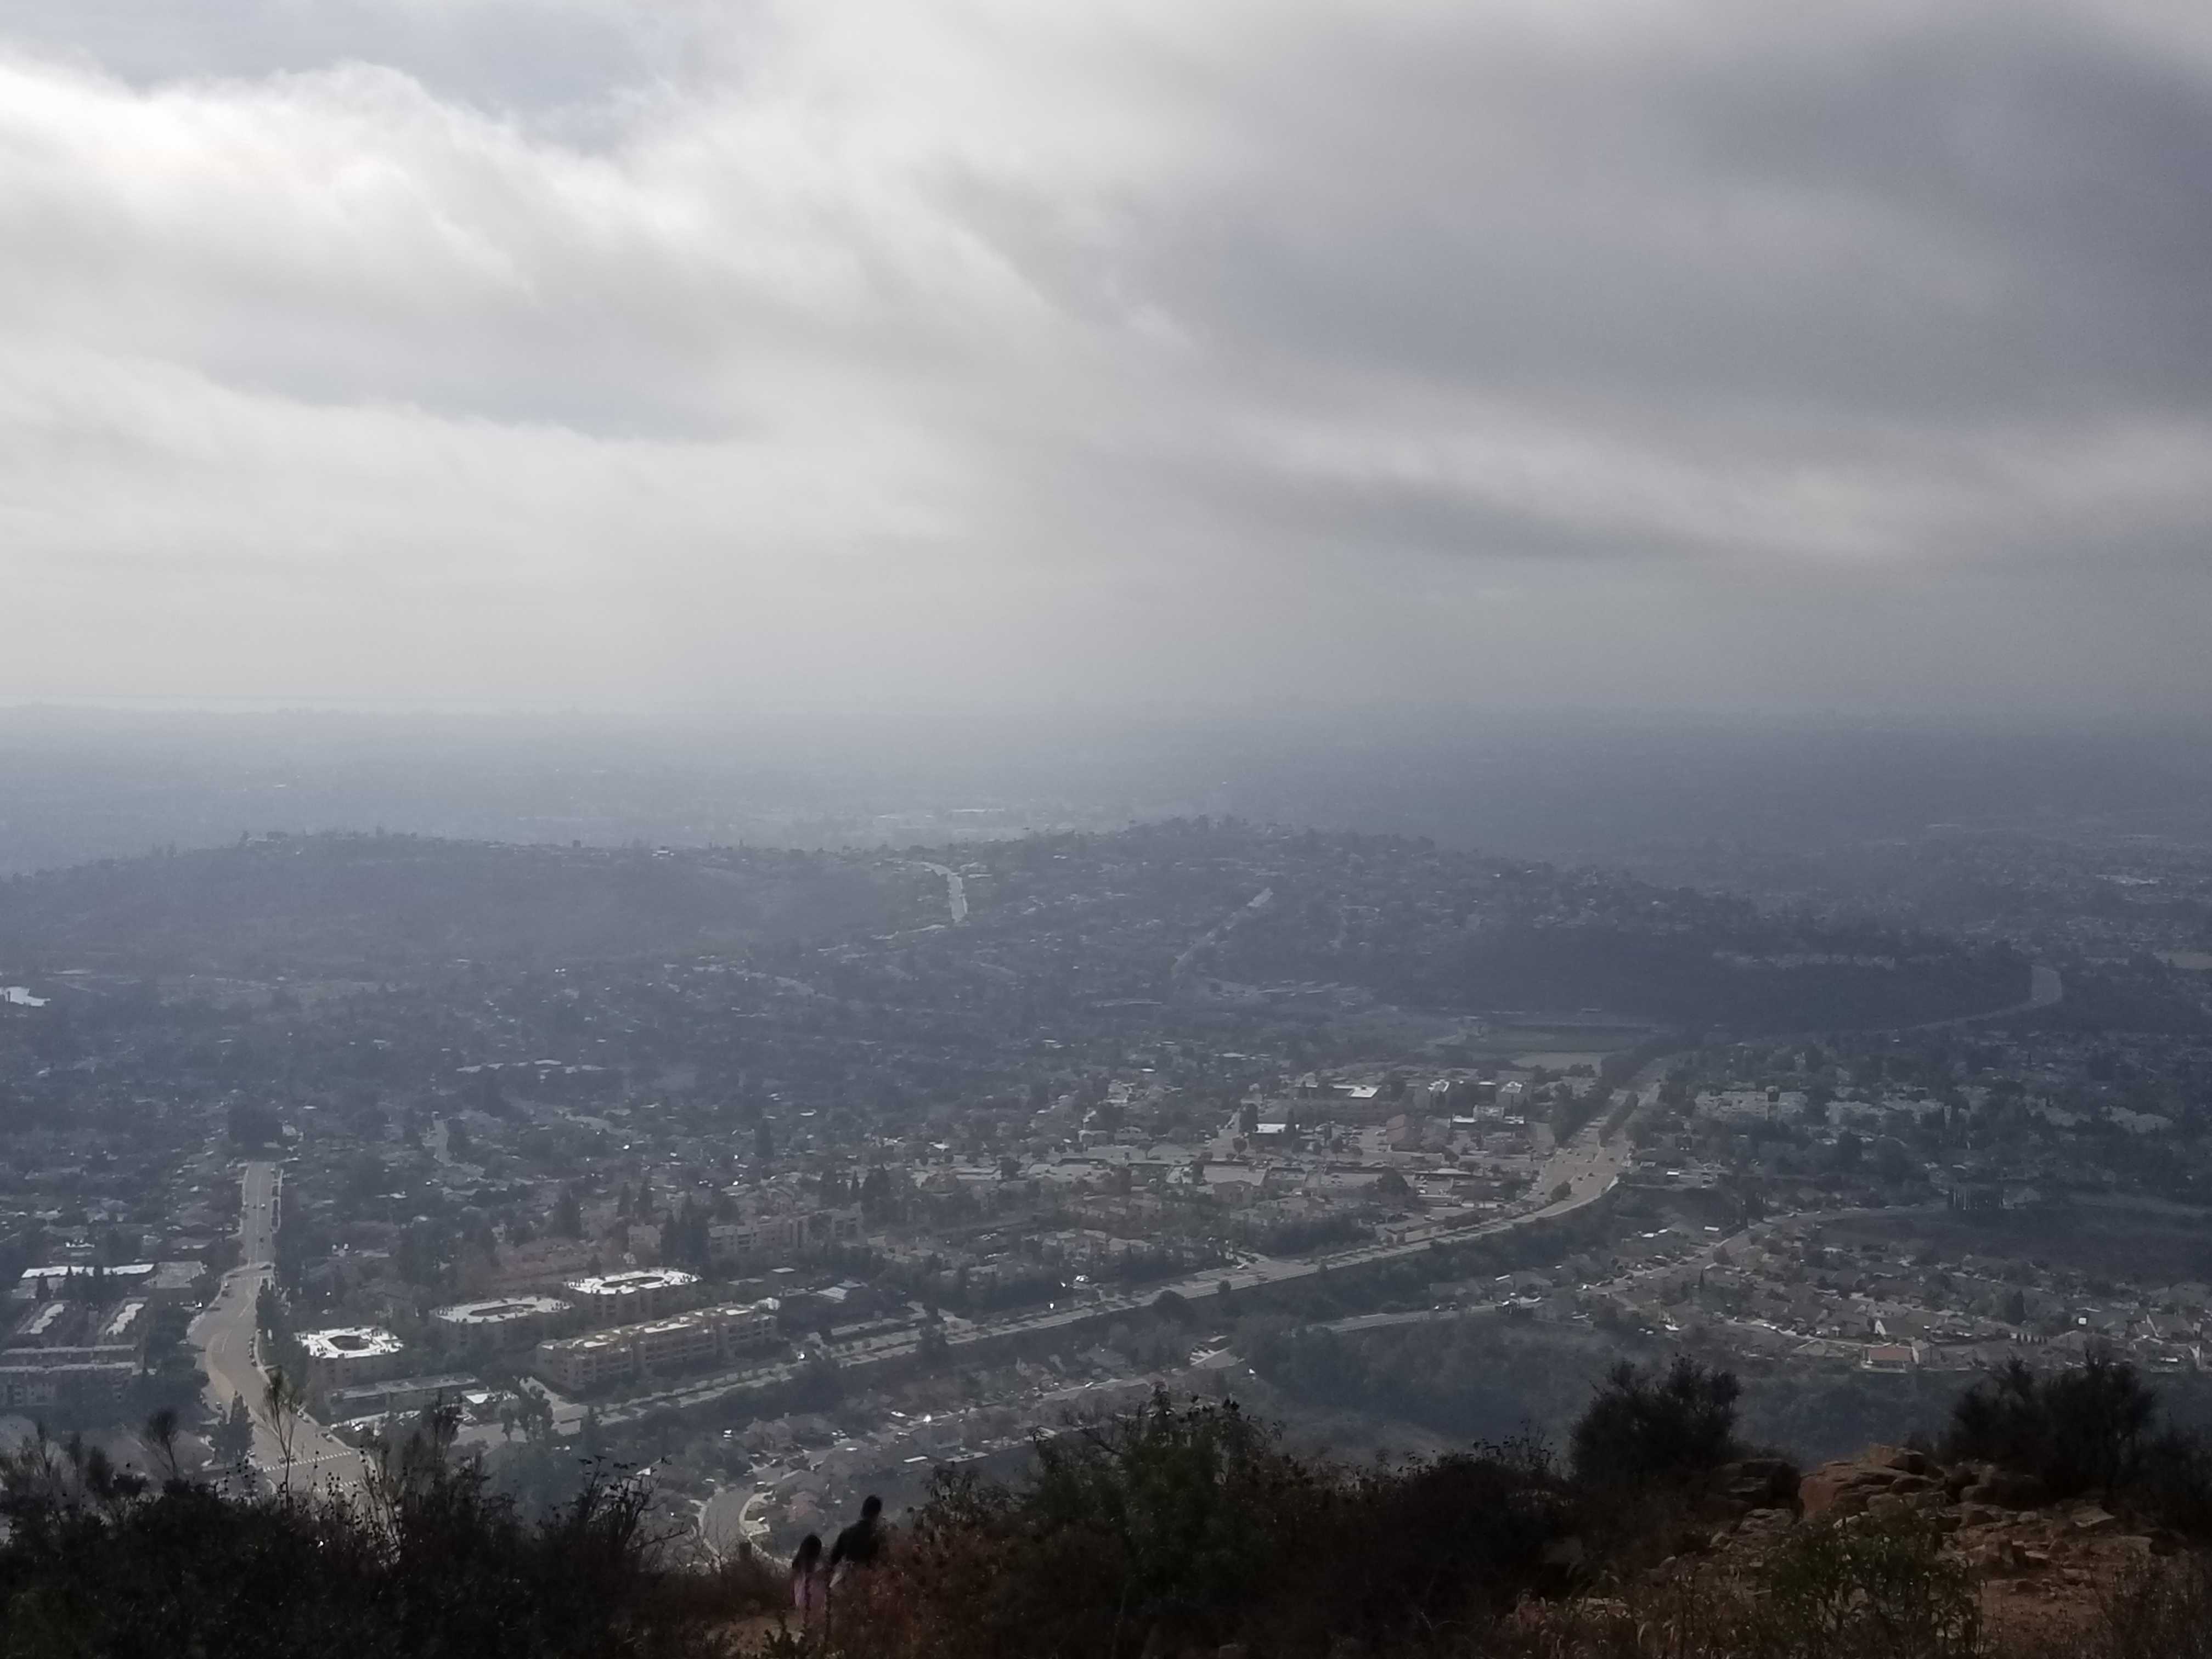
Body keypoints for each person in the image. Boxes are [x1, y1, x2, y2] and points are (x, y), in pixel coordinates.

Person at [828, 1494, 884, 1577]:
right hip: (871, 1581)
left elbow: (833, 1560)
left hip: (850, 1580)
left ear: (862, 1511)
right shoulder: (879, 1537)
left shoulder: (846, 1534)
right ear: (877, 1514)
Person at [789, 1533, 825, 1631]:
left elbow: (792, 1584)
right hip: (815, 1599)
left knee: (807, 1624)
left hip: (800, 1599)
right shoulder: (820, 1566)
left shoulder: (798, 1564)